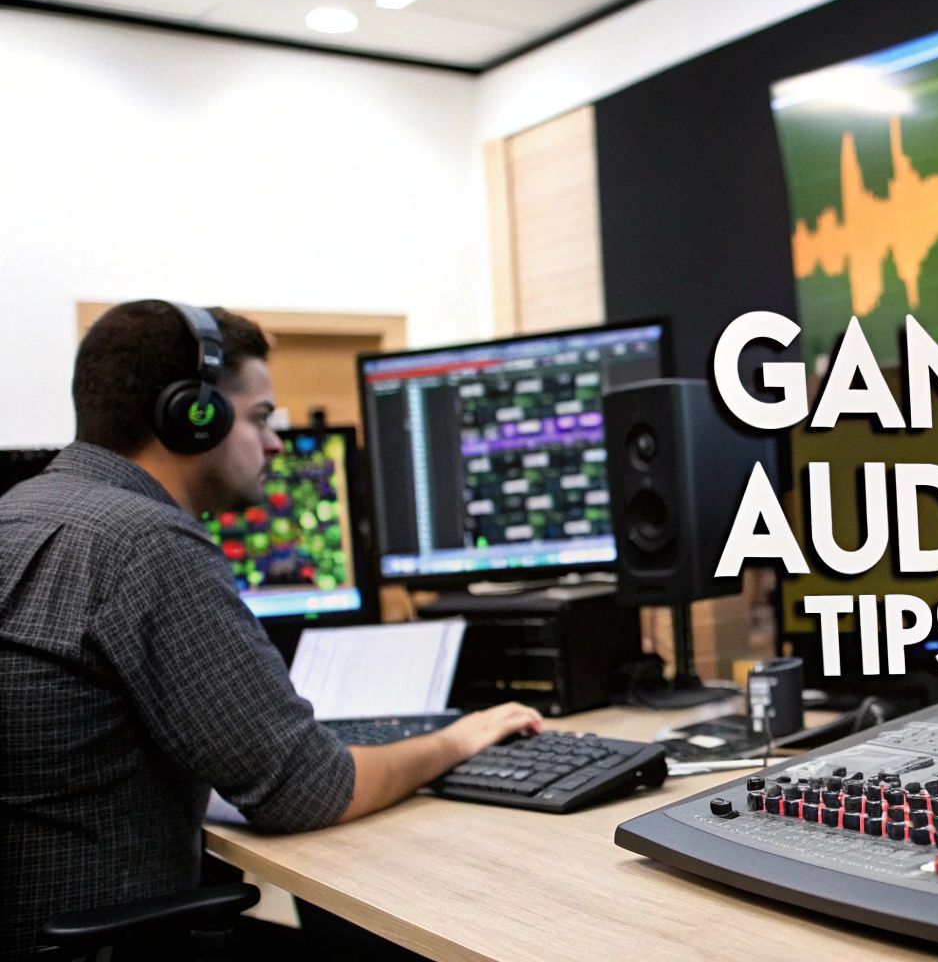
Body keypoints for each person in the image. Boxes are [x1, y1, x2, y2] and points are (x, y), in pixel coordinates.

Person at [0, 301, 543, 959]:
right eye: (259, 417)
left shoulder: (19, 510)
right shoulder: (146, 544)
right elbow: (307, 791)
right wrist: (456, 739)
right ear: (192, 416)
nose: (277, 442)